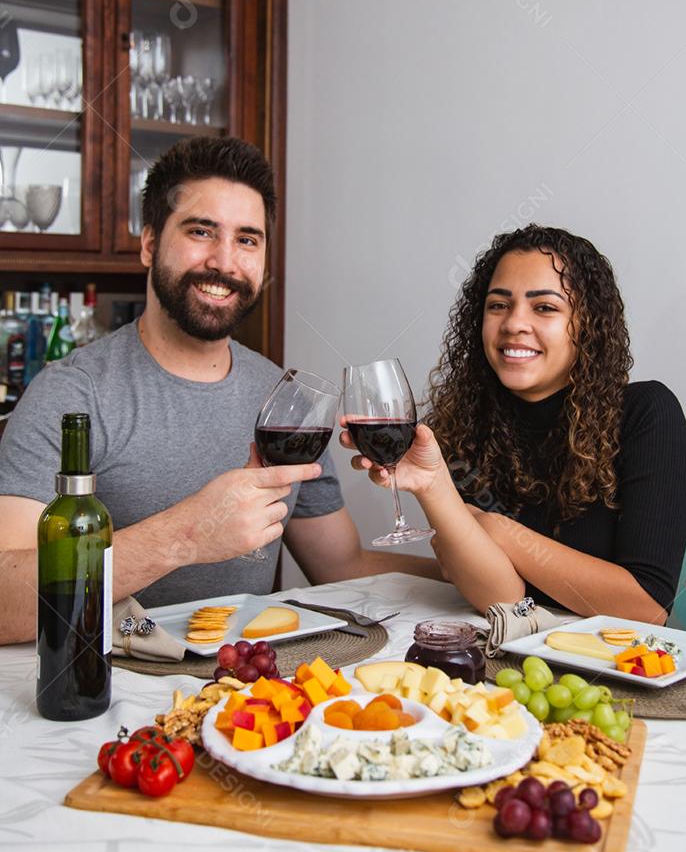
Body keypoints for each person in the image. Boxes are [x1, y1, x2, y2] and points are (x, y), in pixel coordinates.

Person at [0, 137, 441, 645]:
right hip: (104, 685)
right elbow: (7, 603)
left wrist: (474, 566)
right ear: (149, 244)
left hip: (245, 684)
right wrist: (186, 536)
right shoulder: (72, 395)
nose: (224, 262)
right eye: (201, 231)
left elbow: (343, 565)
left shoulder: (285, 401)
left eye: (247, 240)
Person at [341, 224, 686, 622]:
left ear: (587, 324)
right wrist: (433, 485)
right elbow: (501, 598)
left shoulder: (647, 413)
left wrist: (497, 530)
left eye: (544, 307)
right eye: (498, 305)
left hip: (616, 655)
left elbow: (646, 608)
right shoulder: (466, 425)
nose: (513, 323)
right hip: (514, 651)